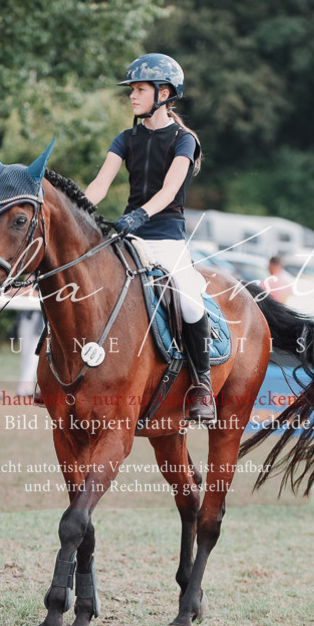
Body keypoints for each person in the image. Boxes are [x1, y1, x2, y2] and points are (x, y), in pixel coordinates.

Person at [85, 52, 214, 420]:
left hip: (165, 238)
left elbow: (170, 190)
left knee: (189, 302)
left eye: (140, 89)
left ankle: (202, 384)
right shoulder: (126, 138)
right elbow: (99, 184)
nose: (132, 95)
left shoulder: (184, 140)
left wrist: (139, 216)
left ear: (164, 93)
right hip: (128, 234)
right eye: (132, 90)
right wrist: (79, 209)